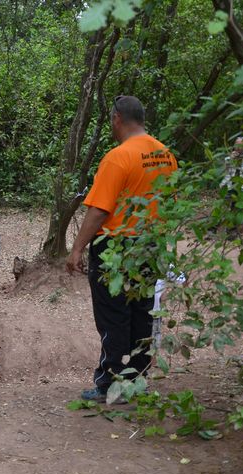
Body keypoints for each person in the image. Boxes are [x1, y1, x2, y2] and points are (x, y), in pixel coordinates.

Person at [65, 95, 178, 402]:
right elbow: (171, 205)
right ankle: (137, 381)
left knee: (113, 315)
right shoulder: (165, 155)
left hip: (115, 248)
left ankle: (110, 383)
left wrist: (77, 248)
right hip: (151, 245)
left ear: (117, 119)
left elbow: (100, 210)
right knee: (143, 312)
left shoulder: (118, 157)